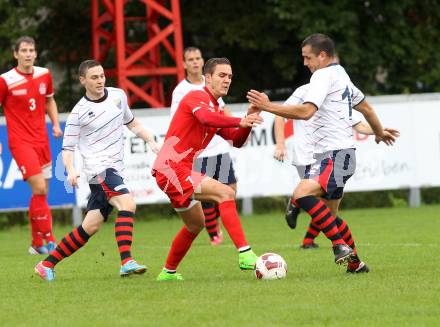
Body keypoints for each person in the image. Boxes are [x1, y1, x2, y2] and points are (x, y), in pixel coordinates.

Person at [247, 33, 397, 273]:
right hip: (340, 156)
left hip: (336, 155)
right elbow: (366, 108)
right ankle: (356, 264)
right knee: (329, 217)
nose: (305, 63)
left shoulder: (323, 75)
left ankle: (339, 245)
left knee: (301, 194)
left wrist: (266, 106)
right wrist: (378, 132)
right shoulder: (341, 75)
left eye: (308, 58)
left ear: (323, 55)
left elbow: (306, 111)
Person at [34, 59, 160, 281]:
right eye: (94, 77)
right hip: (99, 170)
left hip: (114, 169)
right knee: (127, 203)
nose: (100, 80)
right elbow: (67, 148)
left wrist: (151, 142)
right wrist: (71, 170)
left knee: (90, 226)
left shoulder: (118, 96)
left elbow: (133, 124)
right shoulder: (78, 113)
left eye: (102, 75)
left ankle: (46, 264)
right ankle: (126, 261)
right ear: (83, 80)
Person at [152, 57, 263, 281]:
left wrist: (249, 120)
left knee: (195, 224)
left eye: (230, 76)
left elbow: (236, 140)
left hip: (175, 171)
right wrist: (237, 120)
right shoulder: (197, 97)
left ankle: (168, 272)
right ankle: (244, 254)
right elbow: (203, 118)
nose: (227, 80)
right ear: (208, 78)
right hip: (170, 169)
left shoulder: (216, 108)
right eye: (222, 75)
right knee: (226, 192)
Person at [273, 83, 399, 250]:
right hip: (307, 158)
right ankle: (299, 205)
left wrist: (378, 130)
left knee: (328, 213)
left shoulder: (337, 95)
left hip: (330, 157)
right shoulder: (304, 91)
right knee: (321, 208)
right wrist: (280, 144)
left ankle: (314, 238)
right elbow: (279, 115)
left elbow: (359, 125)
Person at [0, 36, 62, 255]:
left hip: (42, 139)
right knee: (39, 188)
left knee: (42, 192)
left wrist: (55, 124)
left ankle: (36, 244)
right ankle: (51, 240)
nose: (28, 54)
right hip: (20, 142)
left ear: (36, 53)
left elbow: (49, 100)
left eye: (31, 50)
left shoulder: (44, 74)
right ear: (16, 54)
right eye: (23, 50)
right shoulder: (5, 80)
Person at [171, 47, 238, 246]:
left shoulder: (214, 84)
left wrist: (237, 129)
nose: (194, 62)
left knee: (231, 188)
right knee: (209, 195)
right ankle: (214, 233)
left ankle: (218, 225)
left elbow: (222, 110)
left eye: (198, 58)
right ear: (184, 64)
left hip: (218, 147)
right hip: (199, 152)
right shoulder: (181, 90)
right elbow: (180, 119)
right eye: (190, 59)